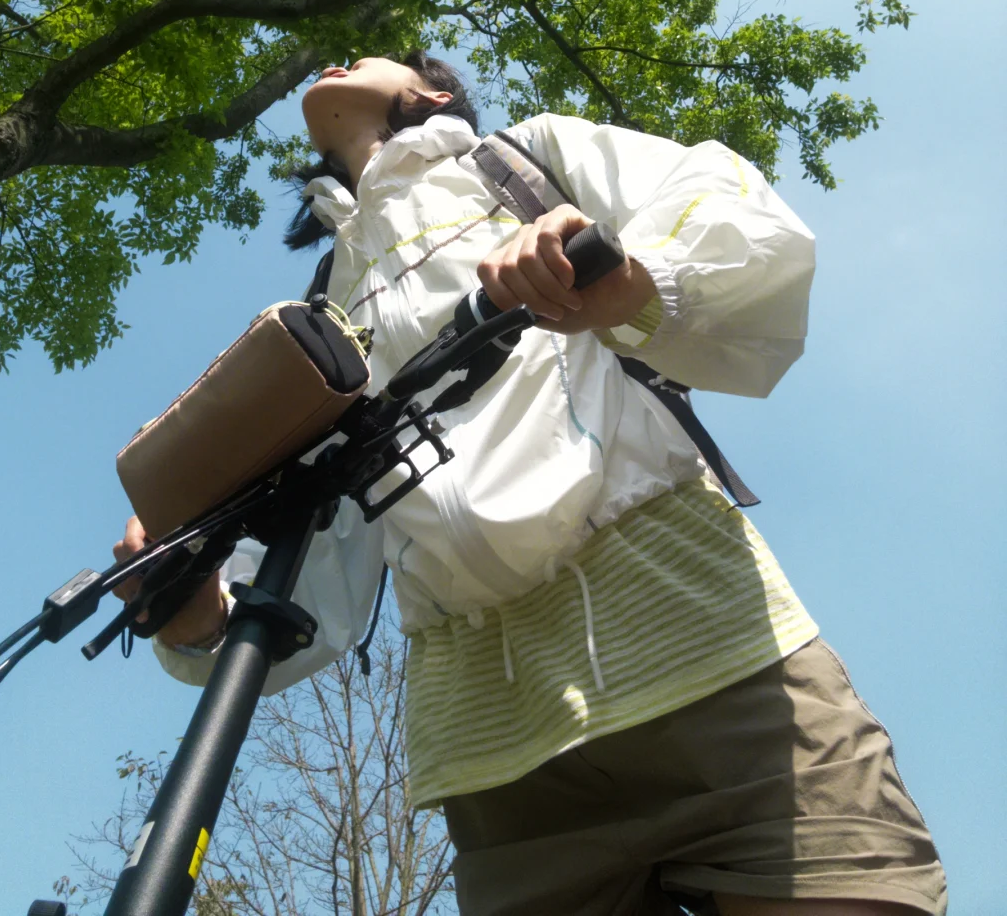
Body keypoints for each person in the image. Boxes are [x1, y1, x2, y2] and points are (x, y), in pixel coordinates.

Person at [114, 51, 947, 916]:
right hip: (499, 761)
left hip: (708, 654)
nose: (333, 58)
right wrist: (197, 612)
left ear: (433, 93)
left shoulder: (523, 160)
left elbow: (735, 212)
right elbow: (318, 562)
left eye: (365, 54)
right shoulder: (324, 308)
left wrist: (629, 278)